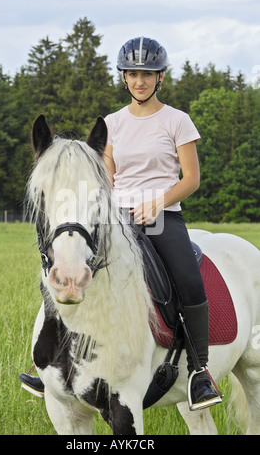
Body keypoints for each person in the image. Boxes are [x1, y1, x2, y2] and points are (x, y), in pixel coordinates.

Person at [102, 37, 221, 410]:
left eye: (147, 74)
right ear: (124, 77)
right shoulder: (111, 124)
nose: (140, 81)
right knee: (74, 269)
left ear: (160, 78)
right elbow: (108, 180)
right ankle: (56, 360)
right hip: (119, 217)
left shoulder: (177, 121)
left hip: (162, 215)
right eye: (133, 74)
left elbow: (191, 179)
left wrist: (158, 203)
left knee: (188, 279)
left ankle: (199, 372)